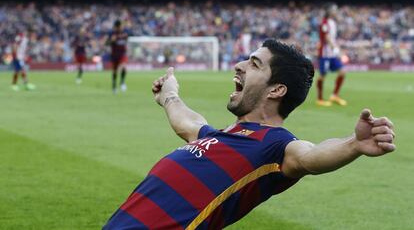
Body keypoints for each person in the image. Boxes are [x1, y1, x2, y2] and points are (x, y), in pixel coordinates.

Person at [103, 39, 395, 230]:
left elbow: (311, 156)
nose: (239, 65)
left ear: (276, 90)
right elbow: (188, 123)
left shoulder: (274, 145)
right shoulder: (222, 136)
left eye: (254, 64)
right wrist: (170, 95)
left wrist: (354, 144)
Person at [316, 4, 347, 107]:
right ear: (329, 11)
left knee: (342, 72)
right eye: (334, 10)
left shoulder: (333, 23)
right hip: (325, 54)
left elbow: (332, 38)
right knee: (323, 75)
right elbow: (327, 38)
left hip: (332, 54)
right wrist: (336, 50)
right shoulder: (324, 23)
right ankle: (319, 99)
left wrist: (337, 50)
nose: (336, 11)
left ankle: (334, 95)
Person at [107, 20, 129, 93]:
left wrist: (125, 37)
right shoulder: (111, 33)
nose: (122, 27)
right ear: (117, 27)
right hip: (114, 55)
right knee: (115, 71)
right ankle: (114, 85)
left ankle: (122, 82)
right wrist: (112, 40)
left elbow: (126, 39)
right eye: (120, 26)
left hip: (122, 54)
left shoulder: (124, 32)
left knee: (124, 68)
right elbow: (107, 43)